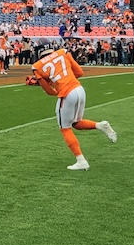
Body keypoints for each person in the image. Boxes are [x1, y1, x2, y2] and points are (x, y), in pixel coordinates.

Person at [27, 41, 117, 171]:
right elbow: (79, 72)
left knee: (65, 129)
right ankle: (100, 125)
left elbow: (48, 91)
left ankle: (81, 161)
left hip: (67, 93)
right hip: (79, 89)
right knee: (76, 123)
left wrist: (57, 86)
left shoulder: (37, 66)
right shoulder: (63, 52)